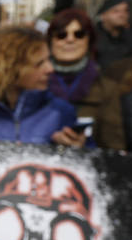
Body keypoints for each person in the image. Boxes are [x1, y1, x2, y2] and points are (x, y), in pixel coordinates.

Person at [46, 8, 125, 149]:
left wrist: (85, 148)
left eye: (79, 34)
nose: (70, 40)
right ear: (50, 41)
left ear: (89, 40)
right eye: (61, 35)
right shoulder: (33, 83)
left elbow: (114, 147)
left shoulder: (107, 88)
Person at [95, 1, 132, 71]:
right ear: (103, 15)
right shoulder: (94, 36)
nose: (122, 15)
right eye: (115, 11)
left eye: (126, 10)